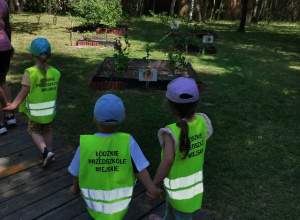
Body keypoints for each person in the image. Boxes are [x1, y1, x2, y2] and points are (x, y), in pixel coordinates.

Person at [68, 94, 162, 220]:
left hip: (95, 206)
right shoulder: (128, 142)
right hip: (119, 206)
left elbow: (77, 172)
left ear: (94, 119)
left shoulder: (85, 145)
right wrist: (152, 189)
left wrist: (75, 188)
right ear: (123, 120)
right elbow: (139, 169)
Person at [148, 77, 213, 220]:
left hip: (178, 187)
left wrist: (154, 184)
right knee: (172, 206)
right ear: (196, 103)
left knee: (182, 215)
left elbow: (167, 161)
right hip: (192, 185)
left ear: (170, 105)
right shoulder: (203, 121)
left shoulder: (171, 133)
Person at [3, 37, 60, 167]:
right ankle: (49, 152)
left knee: (34, 131)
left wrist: (13, 106)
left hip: (35, 113)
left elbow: (23, 92)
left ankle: (45, 152)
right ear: (49, 54)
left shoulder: (30, 73)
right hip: (49, 112)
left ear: (31, 54)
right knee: (47, 130)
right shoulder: (56, 73)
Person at [0, 0, 16, 135]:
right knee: (2, 81)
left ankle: (0, 123)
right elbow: (8, 27)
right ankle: (9, 114)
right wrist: (10, 45)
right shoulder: (3, 4)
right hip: (4, 46)